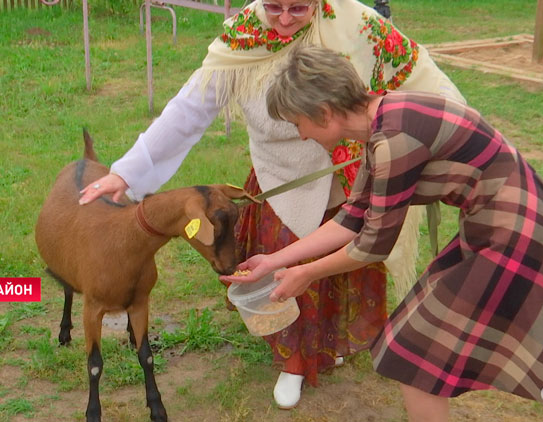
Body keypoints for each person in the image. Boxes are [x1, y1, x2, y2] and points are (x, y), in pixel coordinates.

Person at [78, 0, 465, 409]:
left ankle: (332, 343)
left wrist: (468, 137)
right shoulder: (243, 37)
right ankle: (294, 361)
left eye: (298, 8)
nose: (283, 20)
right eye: (273, 6)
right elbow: (188, 110)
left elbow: (422, 77)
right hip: (278, 175)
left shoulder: (356, 24)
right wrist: (127, 172)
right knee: (283, 266)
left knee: (339, 259)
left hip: (342, 169)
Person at [221, 44, 543, 421]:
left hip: (514, 233)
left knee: (415, 354)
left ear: (325, 113)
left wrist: (304, 274)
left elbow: (371, 247)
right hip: (500, 223)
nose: (300, 135)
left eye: (298, 123)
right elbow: (353, 216)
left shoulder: (393, 138)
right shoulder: (383, 120)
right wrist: (276, 260)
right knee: (418, 352)